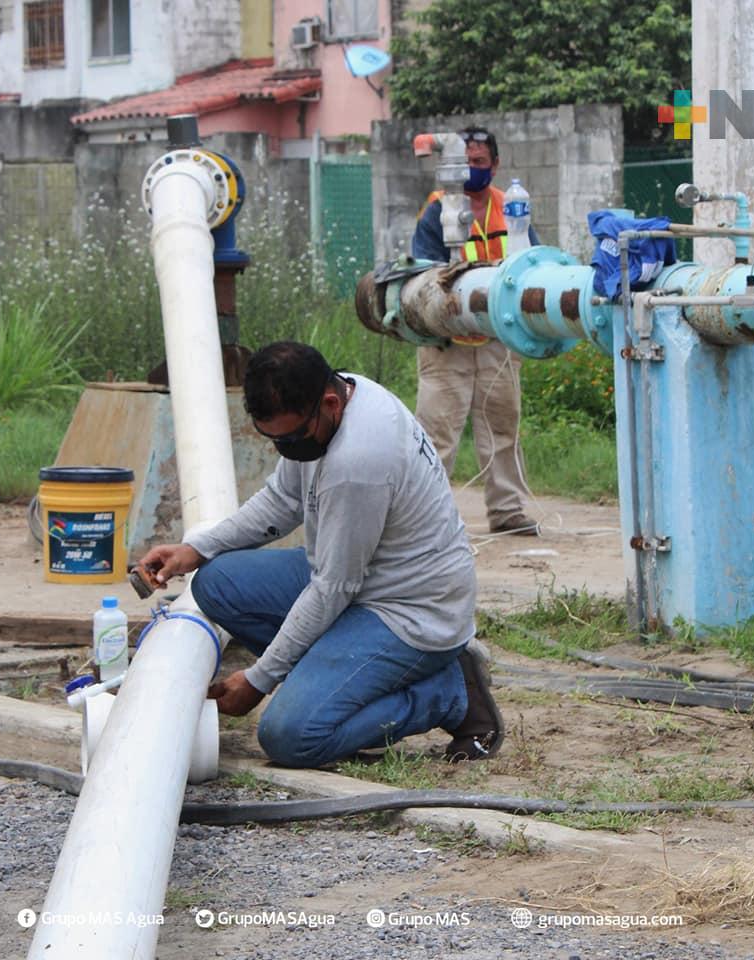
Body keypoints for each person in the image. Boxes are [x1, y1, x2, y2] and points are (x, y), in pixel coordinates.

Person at [137, 341, 504, 768]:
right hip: (357, 580)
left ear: (329, 403)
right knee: (217, 581)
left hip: (410, 613)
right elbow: (281, 501)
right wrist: (196, 549)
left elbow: (332, 589)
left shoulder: (359, 463)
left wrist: (259, 680)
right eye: (274, 439)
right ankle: (335, 682)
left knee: (290, 736)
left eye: (292, 437)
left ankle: (447, 693)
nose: (287, 448)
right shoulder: (342, 396)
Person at [412, 126, 539, 536]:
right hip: (446, 339)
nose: (472, 170)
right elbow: (424, 273)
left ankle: (507, 511)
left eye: (480, 163)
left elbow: (529, 263)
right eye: (465, 162)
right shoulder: (438, 211)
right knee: (437, 431)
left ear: (496, 165)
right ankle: (423, 520)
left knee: (503, 425)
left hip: (496, 337)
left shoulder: (511, 208)